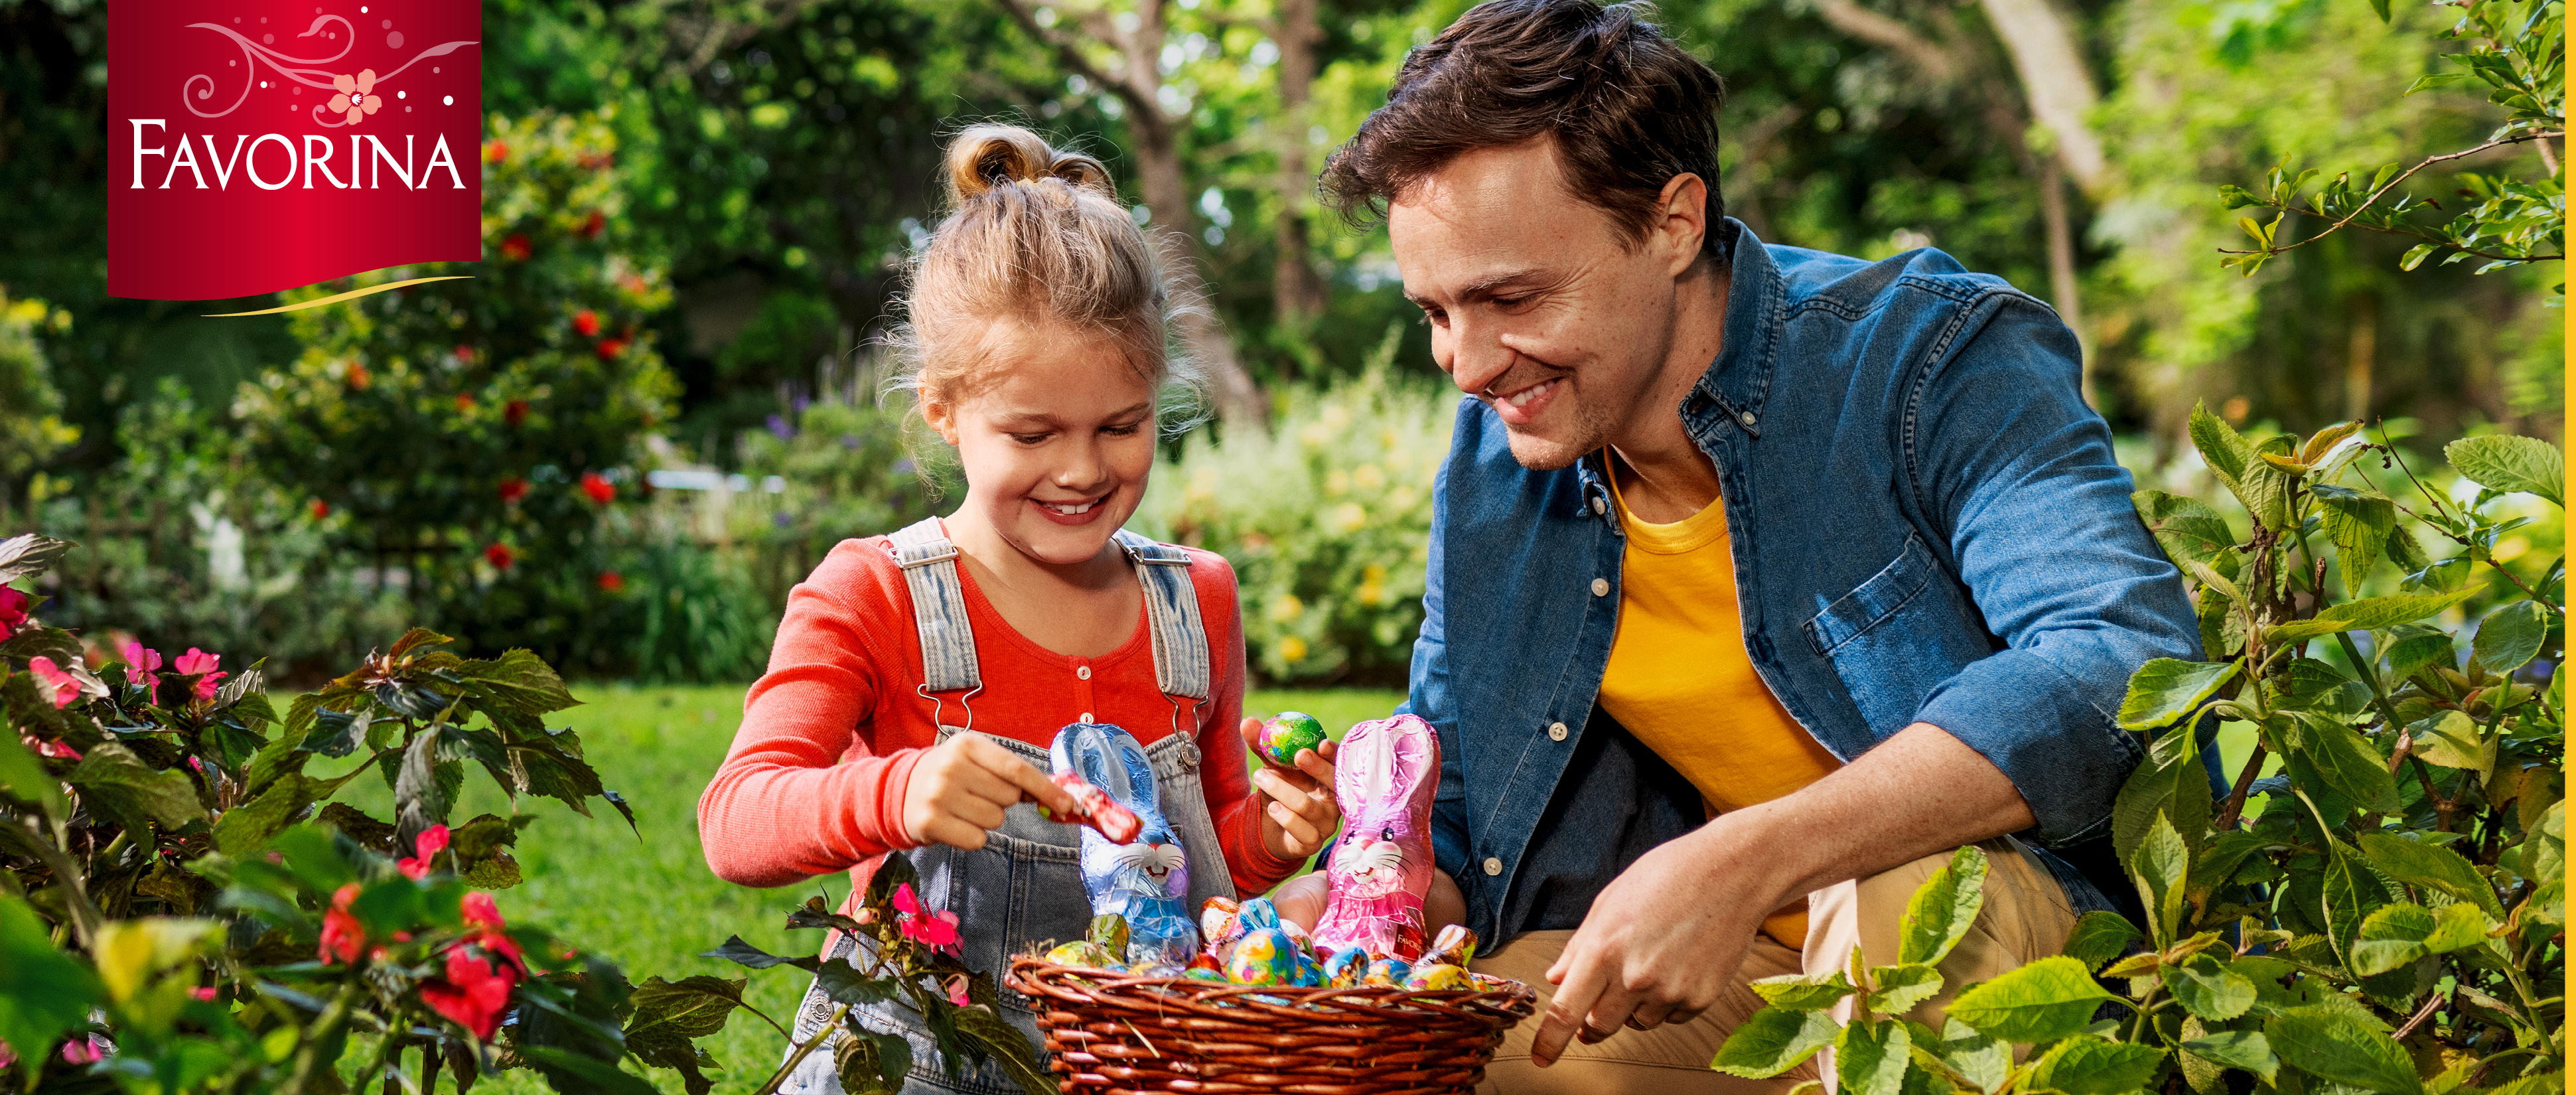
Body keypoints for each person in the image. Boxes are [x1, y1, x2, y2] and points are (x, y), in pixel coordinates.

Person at [1319, 1, 2200, 1089]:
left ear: (1672, 222)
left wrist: (1750, 855)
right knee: (1430, 1059)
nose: (1467, 363)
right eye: (1436, 312)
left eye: (1509, 296)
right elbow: (1447, 826)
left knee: (1903, 897)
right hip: (1727, 976)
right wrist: (1333, 891)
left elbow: (2115, 658)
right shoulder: (1495, 461)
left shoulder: (1928, 359)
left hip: (2024, 938)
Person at [699, 124, 1347, 1095]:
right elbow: (736, 818)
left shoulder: (1193, 598)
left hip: (1138, 1067)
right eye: (1033, 432)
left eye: (1121, 427)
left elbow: (1203, 858)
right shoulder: (874, 591)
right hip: (920, 1062)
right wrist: (894, 792)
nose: (1083, 469)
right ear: (944, 410)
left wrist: (1277, 832)